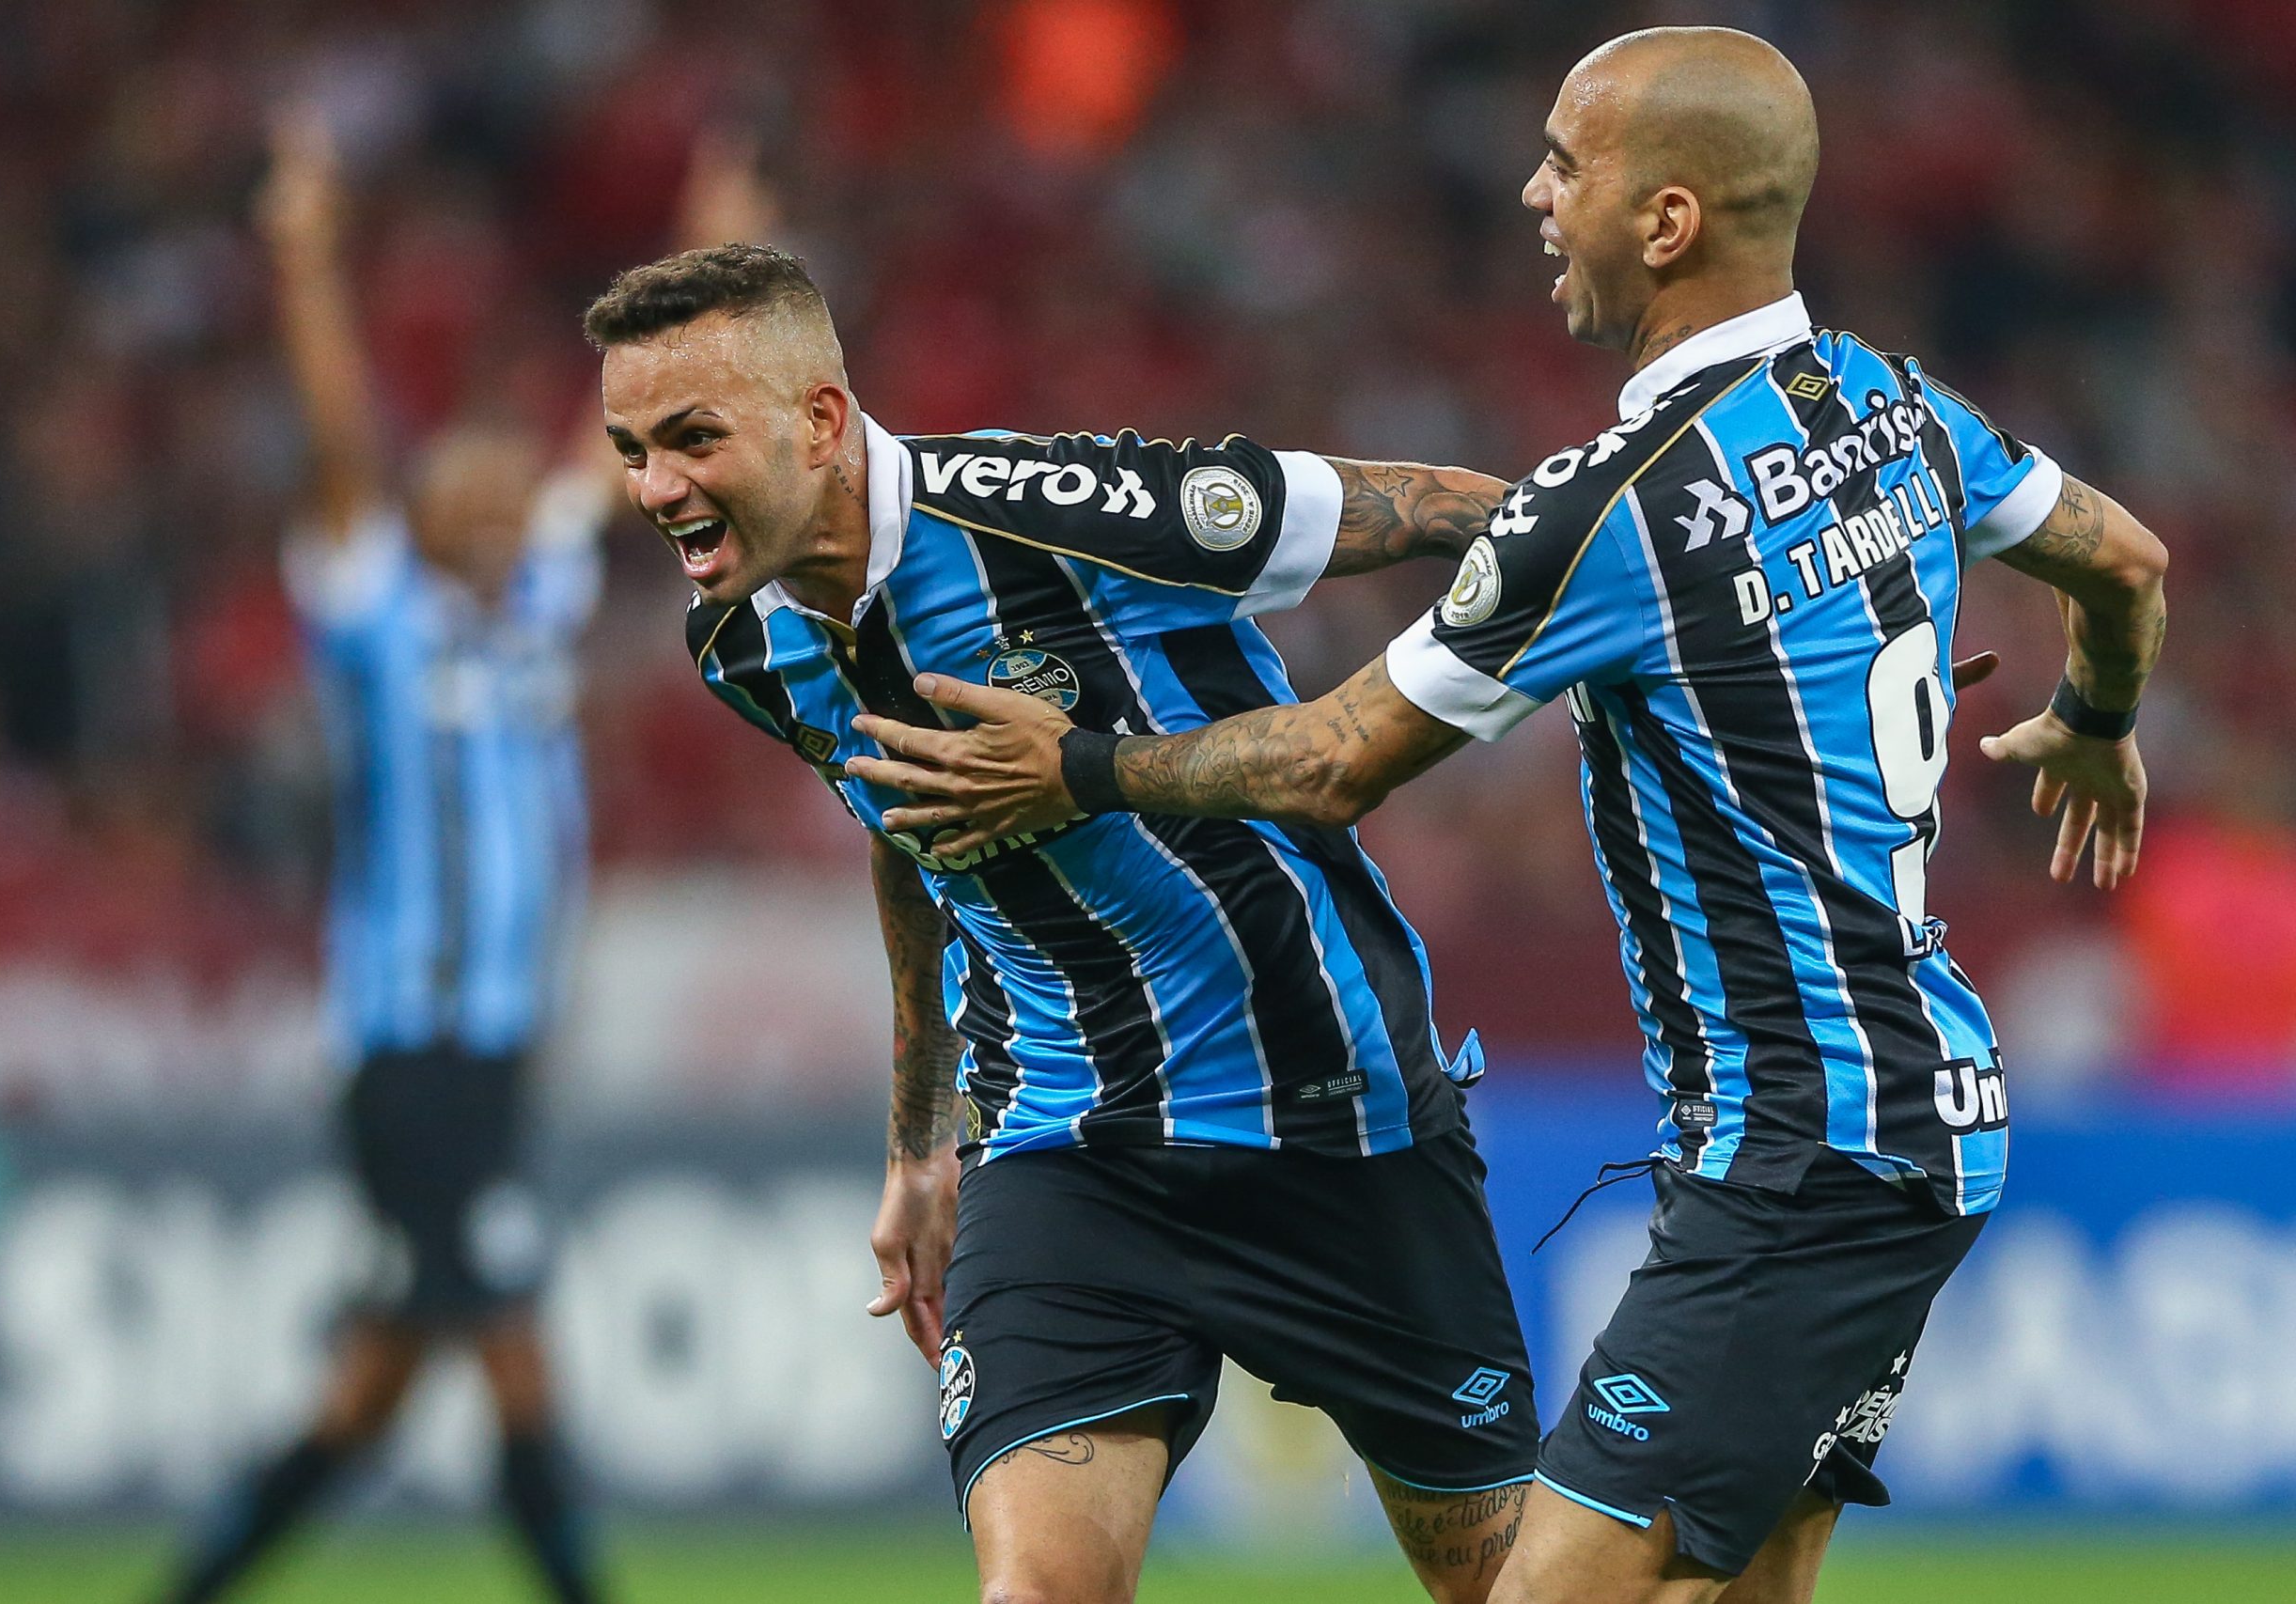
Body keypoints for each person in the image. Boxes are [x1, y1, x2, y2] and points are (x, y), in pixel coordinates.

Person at [846, 26, 2168, 1604]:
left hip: (1809, 1149)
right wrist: (2096, 718)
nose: (1535, 195)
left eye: (1565, 163)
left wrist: (1081, 769)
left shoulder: (1614, 507)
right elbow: (2127, 564)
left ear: (1666, 221)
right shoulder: (1890, 403)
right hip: (1914, 1107)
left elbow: (1337, 756)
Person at [587, 243, 1547, 1603]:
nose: (655, 489)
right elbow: (901, 835)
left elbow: (1459, 509)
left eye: (692, 438)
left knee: (1511, 1589)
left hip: (1339, 1122)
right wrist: (920, 1144)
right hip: (1068, 1151)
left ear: (818, 418)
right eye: (631, 448)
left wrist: (1701, 638)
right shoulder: (737, 637)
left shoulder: (1065, 508)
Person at [152, 116, 758, 1604]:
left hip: (489, 1052)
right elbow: (348, 439)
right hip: (410, 1051)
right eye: (466, 507)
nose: (500, 519)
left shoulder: (530, 607)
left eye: (506, 506)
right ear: (421, 529)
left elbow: (599, 442)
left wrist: (703, 265)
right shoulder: (378, 624)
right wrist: (307, 264)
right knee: (515, 1354)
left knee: (365, 1400)